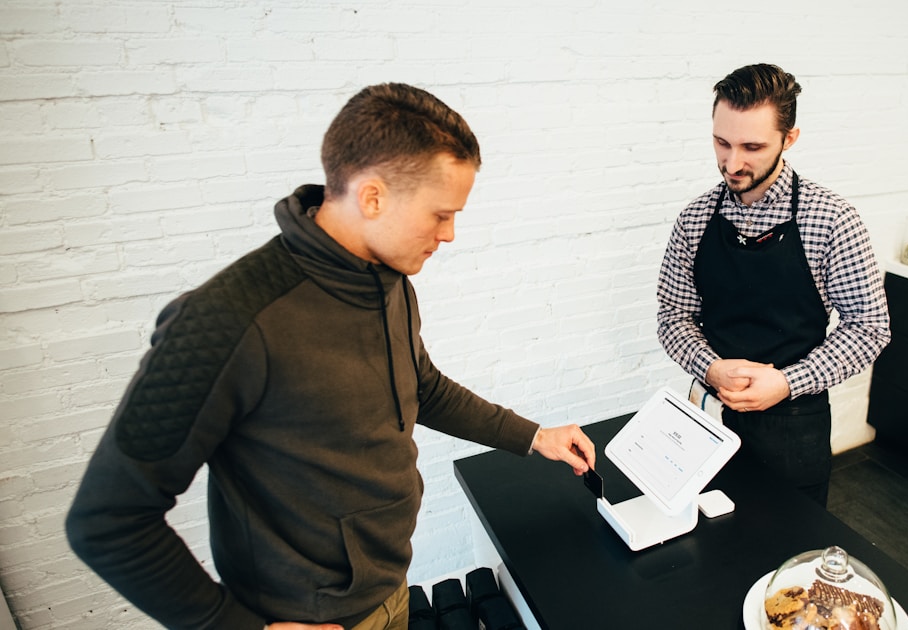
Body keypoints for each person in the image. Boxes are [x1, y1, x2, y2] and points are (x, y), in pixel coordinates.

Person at [65, 83, 596, 630]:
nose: (451, 234)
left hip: (390, 591)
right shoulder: (225, 322)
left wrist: (534, 437)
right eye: (440, 215)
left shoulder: (388, 279)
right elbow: (107, 520)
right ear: (372, 198)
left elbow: (423, 386)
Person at [656, 63, 890, 507]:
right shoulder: (696, 218)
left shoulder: (831, 219)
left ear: (790, 138)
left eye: (752, 146)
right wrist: (710, 366)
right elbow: (674, 316)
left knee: (783, 555)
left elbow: (869, 328)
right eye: (721, 142)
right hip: (707, 417)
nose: (732, 162)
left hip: (793, 427)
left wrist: (786, 381)